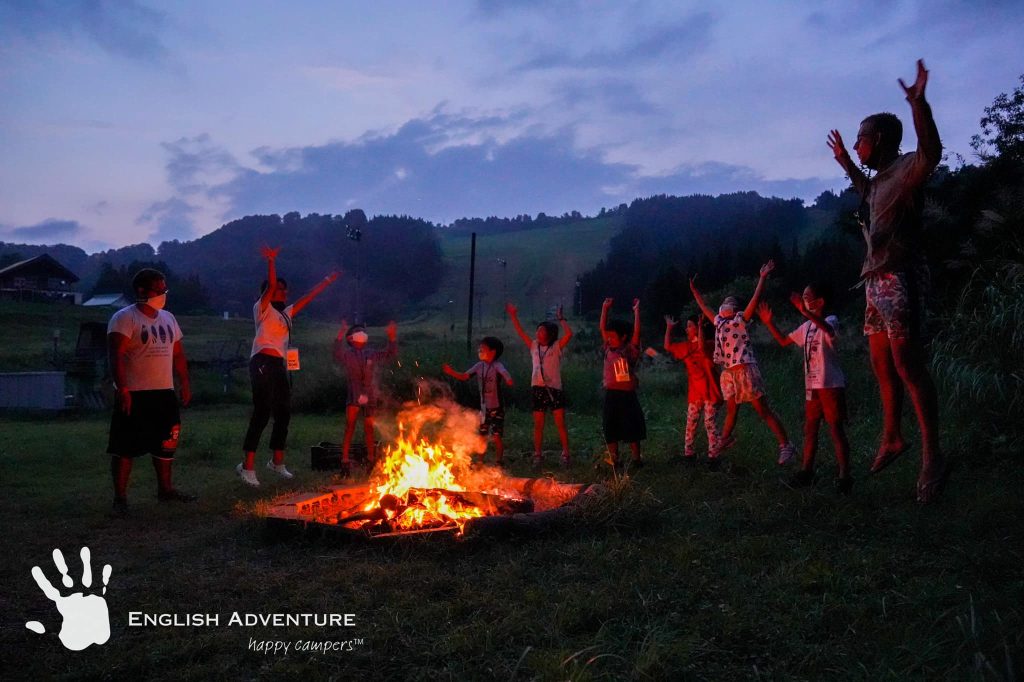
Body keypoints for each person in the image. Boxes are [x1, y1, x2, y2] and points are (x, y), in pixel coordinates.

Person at [826, 59, 947, 503]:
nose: (855, 144)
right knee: (882, 364)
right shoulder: (878, 182)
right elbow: (867, 192)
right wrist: (844, 164)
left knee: (908, 364)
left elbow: (931, 151)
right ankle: (893, 436)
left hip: (901, 275)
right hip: (875, 281)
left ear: (878, 141)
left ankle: (932, 454)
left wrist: (919, 105)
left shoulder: (910, 168)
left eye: (859, 139)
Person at [237, 246, 339, 487]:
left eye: (285, 289)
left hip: (278, 365)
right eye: (279, 289)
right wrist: (272, 261)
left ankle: (277, 462)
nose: (284, 292)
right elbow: (271, 286)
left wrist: (327, 281)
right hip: (261, 361)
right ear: (268, 293)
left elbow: (308, 297)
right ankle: (247, 467)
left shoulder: (286, 314)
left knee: (283, 412)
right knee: (262, 412)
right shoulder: (261, 309)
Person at [690, 261, 796, 469]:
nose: (724, 303)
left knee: (762, 410)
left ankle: (786, 445)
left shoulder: (740, 319)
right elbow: (704, 307)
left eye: (728, 301)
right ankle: (725, 439)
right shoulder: (719, 322)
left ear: (736, 307)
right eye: (724, 300)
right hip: (728, 373)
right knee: (732, 410)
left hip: (745, 369)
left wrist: (762, 278)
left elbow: (755, 300)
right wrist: (695, 291)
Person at [106, 268, 194, 514]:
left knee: (166, 442)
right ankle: (120, 499)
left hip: (164, 392)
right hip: (135, 393)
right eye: (159, 289)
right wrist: (122, 388)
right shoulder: (124, 318)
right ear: (142, 291)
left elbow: (178, 354)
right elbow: (116, 355)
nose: (163, 294)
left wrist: (184, 382)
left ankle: (165, 490)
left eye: (164, 289)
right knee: (125, 446)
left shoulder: (168, 318)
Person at [757, 284, 852, 494]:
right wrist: (769, 322)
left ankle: (845, 477)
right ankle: (806, 472)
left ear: (820, 302)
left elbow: (828, 331)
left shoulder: (830, 320)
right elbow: (783, 341)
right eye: (803, 296)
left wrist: (804, 311)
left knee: (835, 429)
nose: (804, 299)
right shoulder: (807, 326)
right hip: (812, 386)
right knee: (810, 429)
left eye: (808, 296)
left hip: (830, 385)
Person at [506, 302, 574, 467]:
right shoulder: (534, 346)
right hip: (538, 388)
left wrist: (561, 319)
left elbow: (569, 334)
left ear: (550, 334)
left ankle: (565, 454)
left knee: (560, 423)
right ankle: (538, 455)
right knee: (538, 424)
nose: (538, 332)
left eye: (542, 330)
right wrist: (514, 315)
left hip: (554, 389)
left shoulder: (556, 347)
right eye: (538, 330)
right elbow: (521, 333)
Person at [333, 320, 399, 472]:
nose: (361, 333)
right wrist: (341, 333)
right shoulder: (348, 355)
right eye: (357, 331)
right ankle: (345, 461)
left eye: (362, 330)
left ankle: (371, 459)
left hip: (369, 394)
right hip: (354, 393)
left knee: (369, 427)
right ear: (351, 338)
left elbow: (390, 353)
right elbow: (336, 353)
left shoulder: (371, 353)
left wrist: (392, 337)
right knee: (350, 426)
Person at [443, 337, 514, 465]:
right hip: (484, 408)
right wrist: (451, 372)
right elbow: (465, 376)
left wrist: (508, 379)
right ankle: (480, 461)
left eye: (483, 349)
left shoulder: (497, 365)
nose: (480, 351)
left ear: (493, 352)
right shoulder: (479, 366)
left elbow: (504, 372)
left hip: (496, 407)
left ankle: (499, 460)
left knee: (497, 435)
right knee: (482, 435)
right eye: (479, 349)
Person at [664, 313, 723, 464]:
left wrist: (701, 328)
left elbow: (702, 348)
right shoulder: (686, 347)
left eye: (690, 326)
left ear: (698, 328)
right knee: (691, 422)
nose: (686, 329)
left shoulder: (710, 344)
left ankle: (714, 456)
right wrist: (669, 328)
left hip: (710, 390)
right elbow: (667, 346)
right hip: (695, 392)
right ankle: (689, 454)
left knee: (710, 423)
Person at [599, 298, 646, 471]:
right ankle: (614, 460)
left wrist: (636, 312)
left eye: (613, 336)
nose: (609, 338)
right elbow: (602, 329)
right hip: (611, 394)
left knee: (631, 427)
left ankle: (636, 459)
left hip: (627, 395)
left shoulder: (629, 350)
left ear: (623, 336)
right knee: (610, 427)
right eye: (608, 336)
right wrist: (605, 309)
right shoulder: (607, 348)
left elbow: (637, 333)